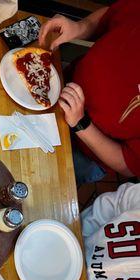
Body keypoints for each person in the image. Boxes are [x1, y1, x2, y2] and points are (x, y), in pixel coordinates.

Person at [39, 0, 140, 185]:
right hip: (58, 85)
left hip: (84, 151)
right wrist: (79, 27)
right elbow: (110, 16)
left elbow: (127, 164)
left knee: (39, 183)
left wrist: (81, 124)